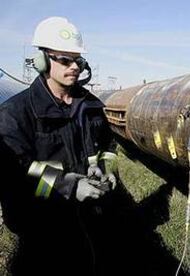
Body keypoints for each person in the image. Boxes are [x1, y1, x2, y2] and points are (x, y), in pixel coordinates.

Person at [0, 17, 118, 276]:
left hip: (89, 216)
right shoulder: (15, 113)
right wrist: (69, 184)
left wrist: (106, 166)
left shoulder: (91, 107)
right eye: (64, 59)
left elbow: (109, 144)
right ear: (42, 61)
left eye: (79, 60)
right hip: (42, 225)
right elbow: (18, 170)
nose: (74, 66)